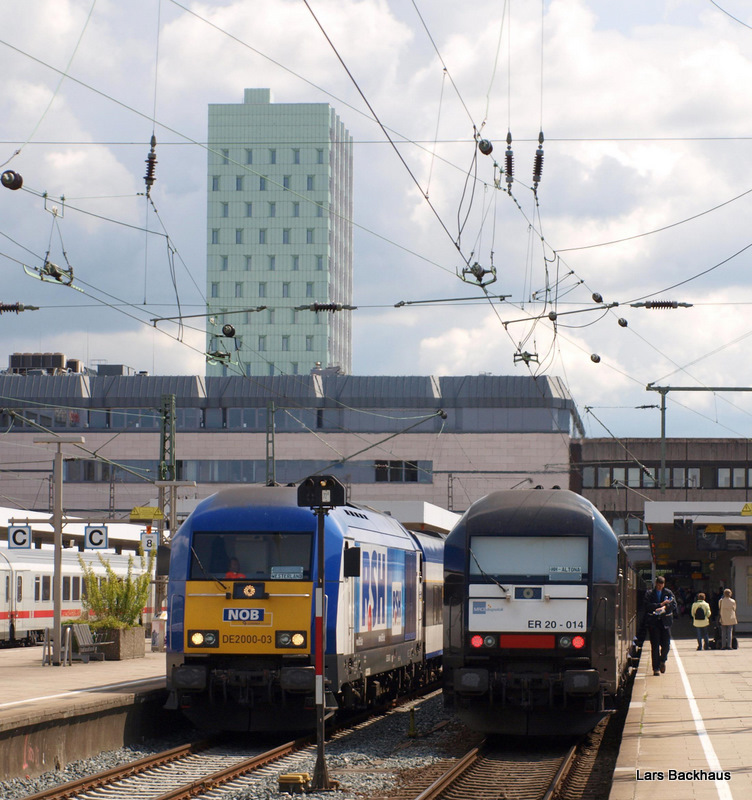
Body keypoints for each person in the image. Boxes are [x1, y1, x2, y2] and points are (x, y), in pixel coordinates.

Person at [644, 575, 678, 675]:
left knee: (666, 645)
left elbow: (674, 605)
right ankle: (656, 668)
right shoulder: (649, 593)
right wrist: (659, 605)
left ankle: (662, 660)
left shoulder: (668, 593)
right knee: (655, 646)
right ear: (655, 584)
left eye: (661, 586)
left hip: (665, 622)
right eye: (658, 586)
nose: (659, 587)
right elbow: (646, 606)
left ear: (663, 585)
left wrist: (665, 608)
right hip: (654, 622)